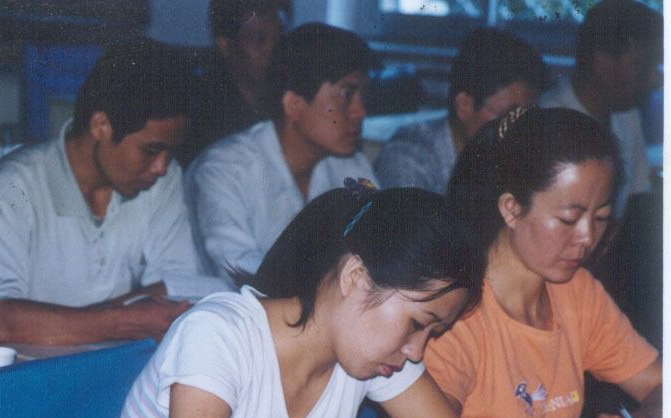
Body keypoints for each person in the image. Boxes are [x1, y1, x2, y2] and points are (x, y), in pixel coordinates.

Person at [83, 183, 485, 418]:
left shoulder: (366, 354)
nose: (416, 351)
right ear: (355, 278)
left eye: (433, 333)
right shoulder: (217, 335)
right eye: (417, 324)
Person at [374, 107, 662, 418]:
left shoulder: (578, 294)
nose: (588, 237)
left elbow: (659, 382)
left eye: (601, 218)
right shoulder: (451, 305)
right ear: (511, 209)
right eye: (568, 219)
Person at [0, 39, 201, 345]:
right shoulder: (12, 187)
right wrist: (126, 320)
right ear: (101, 125)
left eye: (170, 152)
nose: (161, 166)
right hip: (21, 367)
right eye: (151, 150)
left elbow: (179, 289)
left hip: (110, 358)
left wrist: (72, 324)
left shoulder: (163, 179)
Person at [186, 23, 379, 280]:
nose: (360, 112)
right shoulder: (224, 170)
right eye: (346, 95)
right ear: (293, 104)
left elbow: (383, 247)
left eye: (363, 96)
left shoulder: (352, 166)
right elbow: (240, 271)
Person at [374, 28, 545, 195]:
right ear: (464, 106)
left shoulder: (515, 159)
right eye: (510, 118)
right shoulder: (409, 156)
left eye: (527, 119)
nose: (520, 133)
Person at [540, 0, 662, 220]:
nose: (656, 79)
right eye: (643, 66)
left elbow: (637, 196)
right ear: (601, 63)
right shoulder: (549, 119)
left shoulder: (626, 113)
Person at [176, 0, 290, 166]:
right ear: (225, 44)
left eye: (279, 40)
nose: (271, 50)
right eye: (259, 40)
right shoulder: (199, 107)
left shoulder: (287, 99)